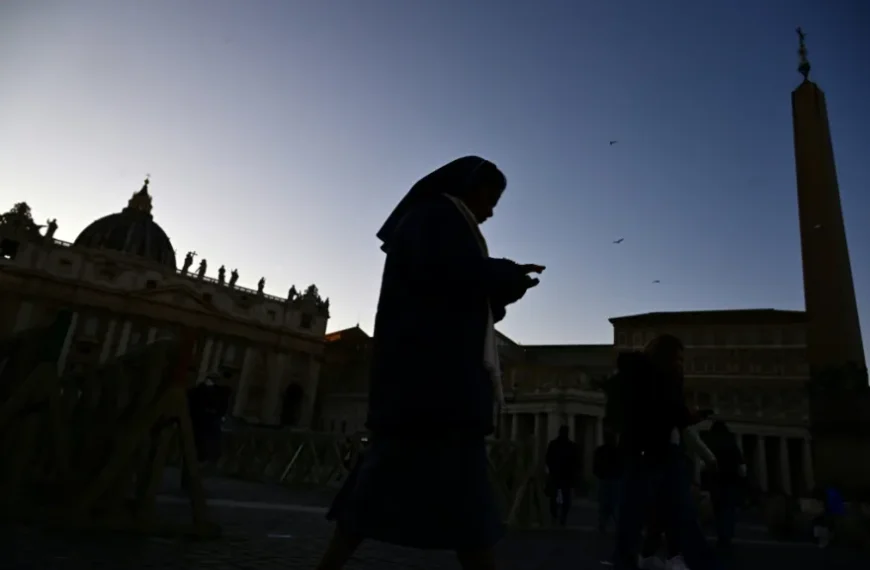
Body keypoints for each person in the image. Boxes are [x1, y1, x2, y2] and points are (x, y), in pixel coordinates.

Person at [315, 156, 545, 570]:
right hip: (435, 386)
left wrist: (505, 284)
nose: (491, 211)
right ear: (470, 187)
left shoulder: (440, 221)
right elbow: (451, 275)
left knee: (378, 496)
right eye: (491, 199)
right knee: (468, 506)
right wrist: (505, 275)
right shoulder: (435, 217)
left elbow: (455, 289)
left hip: (421, 388)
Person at [607, 334, 721, 570]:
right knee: (680, 517)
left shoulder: (634, 376)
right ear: (665, 357)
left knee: (635, 517)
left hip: (644, 452)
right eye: (677, 358)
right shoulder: (666, 379)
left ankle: (625, 562)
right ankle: (703, 564)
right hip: (657, 453)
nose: (681, 363)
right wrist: (695, 415)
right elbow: (675, 414)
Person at [183, 372, 231, 490]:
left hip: (201, 424)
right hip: (207, 424)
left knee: (196, 452)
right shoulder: (218, 393)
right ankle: (194, 480)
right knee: (202, 452)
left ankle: (190, 480)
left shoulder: (197, 391)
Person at [706, 421, 745, 549]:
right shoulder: (732, 444)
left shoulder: (712, 444)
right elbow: (741, 464)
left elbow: (708, 462)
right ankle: (727, 537)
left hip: (717, 482)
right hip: (730, 482)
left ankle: (722, 537)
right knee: (728, 510)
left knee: (719, 511)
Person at [546, 425, 579, 527]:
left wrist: (551, 470)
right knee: (564, 498)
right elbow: (575, 462)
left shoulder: (554, 444)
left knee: (556, 497)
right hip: (564, 475)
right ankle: (561, 517)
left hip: (559, 475)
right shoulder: (571, 446)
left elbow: (548, 459)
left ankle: (556, 516)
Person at [593, 428, 623, 533]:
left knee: (604, 504)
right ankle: (616, 525)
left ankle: (603, 524)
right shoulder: (618, 451)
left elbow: (596, 466)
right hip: (615, 479)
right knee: (615, 504)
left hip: (605, 479)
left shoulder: (601, 451)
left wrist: (598, 474)